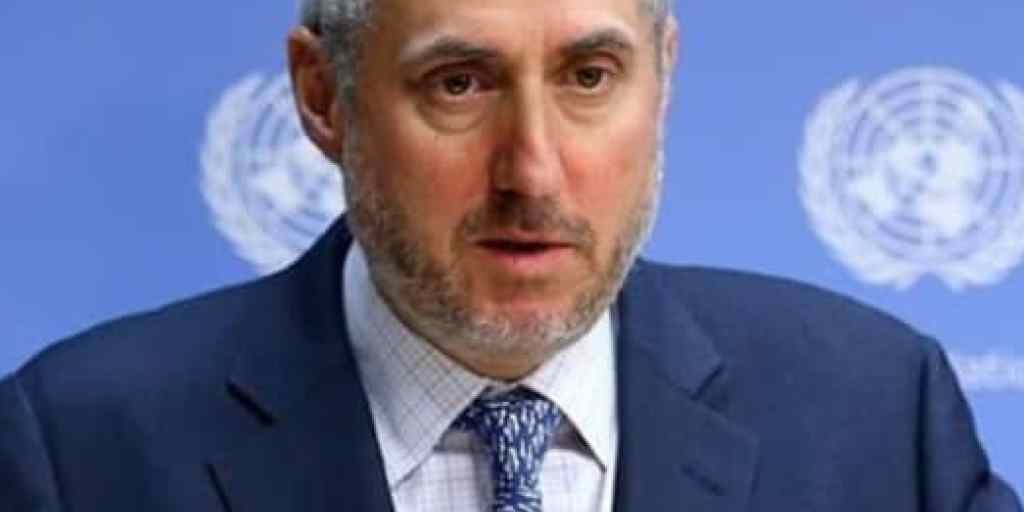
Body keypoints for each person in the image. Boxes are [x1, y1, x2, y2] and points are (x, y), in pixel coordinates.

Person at [1, 0, 1020, 510]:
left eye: (589, 76)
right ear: (322, 98)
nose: (532, 169)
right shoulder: (82, 453)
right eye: (458, 84)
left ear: (662, 74)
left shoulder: (879, 419)